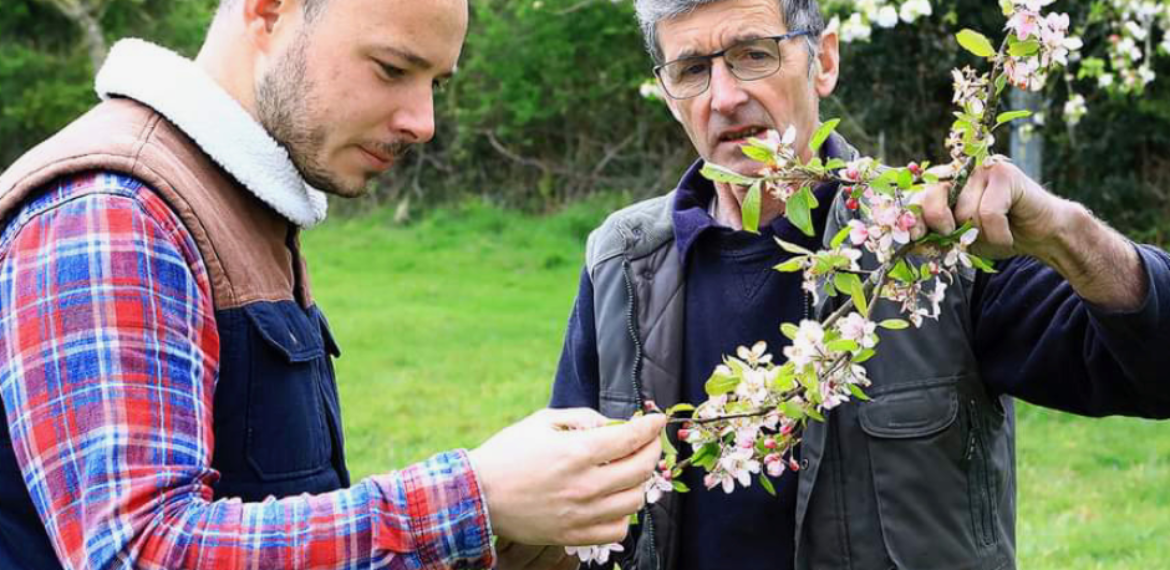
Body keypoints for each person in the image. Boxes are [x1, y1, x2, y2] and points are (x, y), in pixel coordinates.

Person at [0, 0, 667, 568]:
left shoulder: (239, 203)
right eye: (392, 69)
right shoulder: (114, 211)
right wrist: (477, 496)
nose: (422, 121)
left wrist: (515, 520)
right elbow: (139, 551)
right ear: (268, 12)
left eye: (435, 81)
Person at [546, 0, 1170, 569]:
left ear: (825, 62)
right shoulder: (621, 262)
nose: (725, 96)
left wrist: (1064, 231)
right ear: (667, 92)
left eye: (753, 54)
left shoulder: (934, 237)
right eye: (691, 70)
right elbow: (564, 505)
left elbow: (1156, 368)